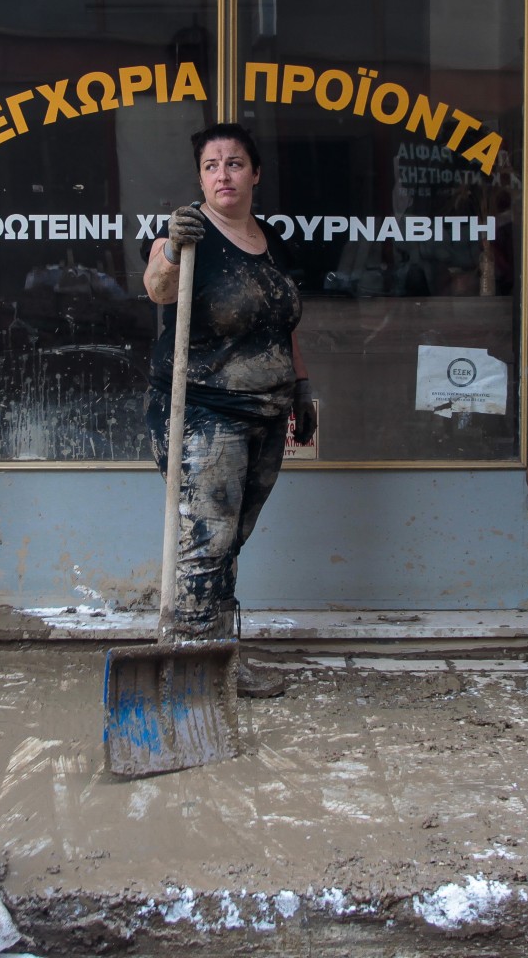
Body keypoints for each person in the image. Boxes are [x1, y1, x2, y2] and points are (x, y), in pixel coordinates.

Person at [143, 122, 316, 698]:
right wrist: (171, 248)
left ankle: (218, 655)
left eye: (235, 163)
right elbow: (159, 289)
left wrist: (302, 388)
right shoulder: (188, 236)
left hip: (267, 415)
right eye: (212, 165)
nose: (224, 174)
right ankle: (191, 670)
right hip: (205, 414)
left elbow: (283, 324)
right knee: (205, 541)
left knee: (230, 541)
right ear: (200, 177)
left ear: (255, 173)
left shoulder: (272, 242)